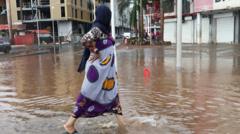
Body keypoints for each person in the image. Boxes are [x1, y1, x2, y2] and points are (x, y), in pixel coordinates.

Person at [63, 5, 124, 134]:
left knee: (113, 96)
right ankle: (69, 124)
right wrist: (95, 50)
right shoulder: (97, 28)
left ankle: (122, 126)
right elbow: (84, 39)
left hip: (107, 71)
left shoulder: (104, 30)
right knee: (88, 95)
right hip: (97, 70)